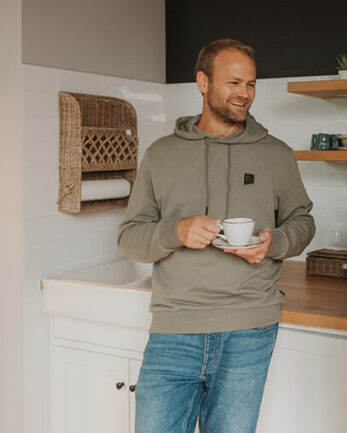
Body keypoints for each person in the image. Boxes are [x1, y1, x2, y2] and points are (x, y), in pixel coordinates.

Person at [117, 39, 315, 433]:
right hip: (174, 329)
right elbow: (130, 236)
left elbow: (302, 222)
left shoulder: (276, 154)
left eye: (252, 84)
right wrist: (176, 231)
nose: (245, 94)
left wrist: (273, 242)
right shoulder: (161, 154)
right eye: (234, 83)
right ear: (203, 82)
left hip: (249, 330)